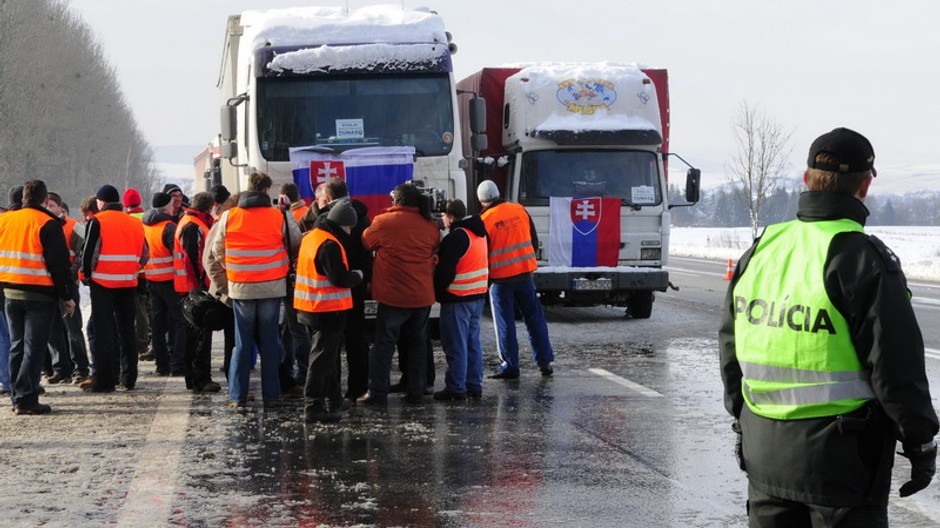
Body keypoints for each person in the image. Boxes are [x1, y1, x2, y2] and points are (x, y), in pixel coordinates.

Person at [719, 127, 939, 527]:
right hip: (843, 465)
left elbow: (730, 347)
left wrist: (742, 421)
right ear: (865, 186)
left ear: (806, 179)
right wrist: (920, 440)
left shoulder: (763, 247)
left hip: (765, 456)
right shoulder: (862, 258)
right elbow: (895, 366)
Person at [208, 172, 301, 409]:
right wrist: (286, 212)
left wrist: (235, 269)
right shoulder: (276, 215)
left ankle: (238, 396)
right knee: (270, 342)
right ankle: (272, 395)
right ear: (266, 192)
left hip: (241, 288)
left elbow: (217, 251)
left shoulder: (229, 216)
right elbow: (295, 241)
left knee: (242, 344)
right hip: (271, 287)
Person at [358, 182, 440, 405]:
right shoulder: (430, 225)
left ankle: (377, 392)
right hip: (421, 296)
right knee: (417, 344)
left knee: (384, 345)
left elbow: (366, 241)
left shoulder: (383, 222)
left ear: (397, 201)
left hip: (393, 296)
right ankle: (416, 391)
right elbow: (434, 245)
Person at [0, 179, 75, 414]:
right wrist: (67, 296)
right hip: (39, 296)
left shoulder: (5, 221)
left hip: (10, 293)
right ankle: (25, 398)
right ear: (45, 200)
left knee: (17, 346)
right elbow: (59, 266)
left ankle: (16, 395)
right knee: (34, 349)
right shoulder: (49, 224)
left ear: (23, 199)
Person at [477, 179, 554, 379]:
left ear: (481, 201)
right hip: (525, 276)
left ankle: (510, 366)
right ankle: (544, 361)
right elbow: (534, 240)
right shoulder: (519, 210)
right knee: (534, 318)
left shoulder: (484, 220)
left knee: (505, 324)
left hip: (501, 281)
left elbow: (482, 254)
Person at [294, 200, 363, 422]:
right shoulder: (329, 244)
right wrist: (358, 276)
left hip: (310, 306)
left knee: (329, 358)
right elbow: (339, 278)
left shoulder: (313, 236)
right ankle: (313, 405)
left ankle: (333, 401)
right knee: (322, 359)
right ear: (341, 224)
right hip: (326, 309)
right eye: (349, 227)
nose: (350, 231)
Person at [308, 177, 372, 401]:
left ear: (329, 197)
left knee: (330, 344)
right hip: (356, 283)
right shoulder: (362, 216)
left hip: (331, 290)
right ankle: (358, 388)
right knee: (356, 339)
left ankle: (330, 391)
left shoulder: (326, 219)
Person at [81, 184, 148, 392]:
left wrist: (86, 276)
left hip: (102, 284)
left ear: (101, 202)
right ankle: (129, 378)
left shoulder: (97, 221)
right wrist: (133, 268)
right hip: (128, 282)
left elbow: (88, 253)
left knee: (104, 332)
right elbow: (146, 254)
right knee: (127, 331)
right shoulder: (134, 222)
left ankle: (105, 380)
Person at [433, 199, 488, 401]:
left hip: (458, 298)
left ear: (450, 216)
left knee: (456, 345)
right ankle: (474, 384)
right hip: (477, 295)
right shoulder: (479, 233)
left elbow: (445, 272)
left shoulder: (456, 237)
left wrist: (438, 293)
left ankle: (456, 387)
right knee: (472, 343)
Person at [174, 192, 221, 393]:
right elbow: (191, 259)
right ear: (209, 206)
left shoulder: (191, 222)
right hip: (193, 290)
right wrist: (199, 286)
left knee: (197, 336)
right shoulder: (193, 225)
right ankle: (199, 378)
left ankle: (197, 377)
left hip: (189, 287)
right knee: (199, 337)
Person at [142, 191, 186, 377]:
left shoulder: (144, 225)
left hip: (152, 281)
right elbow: (178, 255)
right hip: (171, 282)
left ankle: (162, 366)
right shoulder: (169, 227)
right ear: (167, 206)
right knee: (181, 323)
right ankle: (178, 365)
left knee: (158, 325)